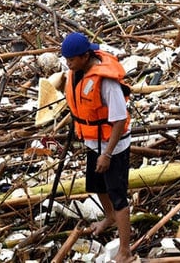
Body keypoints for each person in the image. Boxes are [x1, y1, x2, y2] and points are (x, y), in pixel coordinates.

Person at [60, 32, 133, 263]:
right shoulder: (76, 73)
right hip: (93, 141)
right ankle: (108, 217)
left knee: (118, 195)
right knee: (97, 185)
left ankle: (125, 250)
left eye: (71, 59)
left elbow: (120, 120)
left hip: (113, 146)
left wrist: (107, 155)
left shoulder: (106, 82)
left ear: (85, 56)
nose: (68, 64)